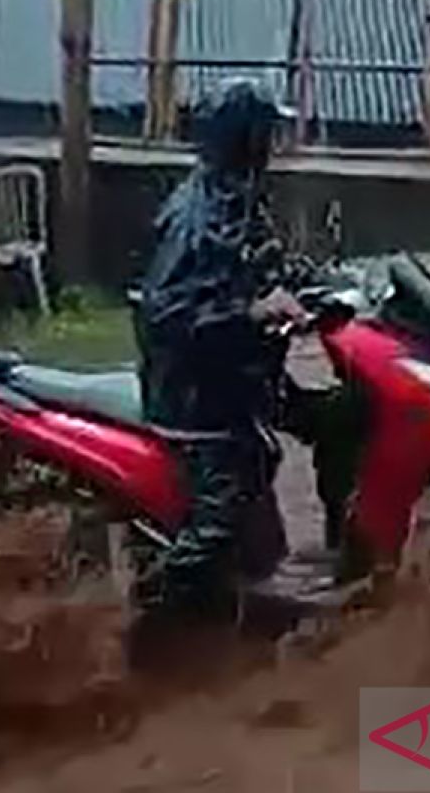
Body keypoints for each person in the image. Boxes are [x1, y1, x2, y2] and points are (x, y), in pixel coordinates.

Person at [134, 78, 309, 625]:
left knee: (326, 421)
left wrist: (310, 282)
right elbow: (168, 315)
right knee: (223, 507)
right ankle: (146, 624)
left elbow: (259, 263)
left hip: (238, 377)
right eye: (266, 133)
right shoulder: (196, 217)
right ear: (244, 138)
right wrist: (253, 313)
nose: (274, 145)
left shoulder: (237, 194)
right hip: (194, 396)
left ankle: (264, 596)